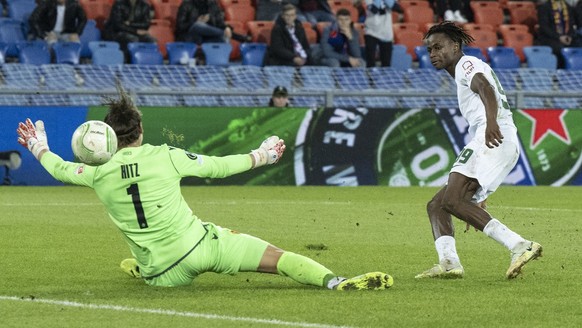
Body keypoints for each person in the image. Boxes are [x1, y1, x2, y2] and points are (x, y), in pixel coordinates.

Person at [16, 85, 393, 291]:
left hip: (163, 275)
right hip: (203, 246)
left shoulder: (95, 171)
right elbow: (219, 167)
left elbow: (61, 169)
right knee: (278, 259)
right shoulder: (163, 155)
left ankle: (144, 267)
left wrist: (38, 146)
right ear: (140, 130)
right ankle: (335, 281)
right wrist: (261, 156)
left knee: (147, 260)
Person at [416, 22, 543, 280]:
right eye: (429, 50)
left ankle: (520, 245)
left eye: (438, 47)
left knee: (452, 201)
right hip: (495, 138)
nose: (433, 54)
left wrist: (492, 123)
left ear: (456, 46)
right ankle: (449, 263)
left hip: (493, 135)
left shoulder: (466, 64)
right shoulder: (461, 70)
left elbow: (484, 86)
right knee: (438, 205)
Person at [175, 0, 251, 44]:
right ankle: (236, 36)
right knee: (198, 25)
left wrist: (227, 28)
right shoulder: (186, 4)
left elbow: (219, 22)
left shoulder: (212, 4)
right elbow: (180, 26)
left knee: (222, 39)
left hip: (207, 37)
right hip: (191, 36)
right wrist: (195, 21)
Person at [536, 0, 581, 68]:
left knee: (578, 44)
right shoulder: (544, 7)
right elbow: (544, 27)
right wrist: (559, 37)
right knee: (558, 47)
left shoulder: (568, 7)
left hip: (566, 37)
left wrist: (569, 36)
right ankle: (559, 71)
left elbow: (571, 25)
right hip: (550, 38)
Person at [363, 0, 400, 67]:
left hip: (386, 32)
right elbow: (374, 10)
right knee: (370, 62)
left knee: (386, 63)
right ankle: (370, 77)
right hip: (371, 31)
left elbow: (398, 8)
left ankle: (385, 77)